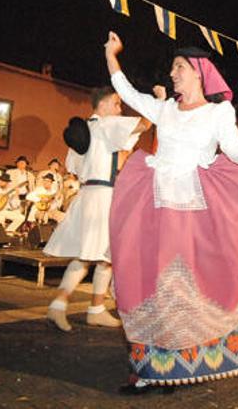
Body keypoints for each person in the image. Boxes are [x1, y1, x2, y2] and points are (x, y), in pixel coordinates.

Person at [105, 32, 238, 392]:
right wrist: (112, 54)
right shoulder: (165, 109)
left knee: (185, 284)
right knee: (154, 284)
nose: (173, 73)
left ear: (198, 73)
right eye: (173, 67)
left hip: (196, 207)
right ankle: (149, 369)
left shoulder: (219, 111)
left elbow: (236, 152)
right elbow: (127, 92)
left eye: (179, 68)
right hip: (155, 202)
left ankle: (180, 365)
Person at [43, 86, 149, 333]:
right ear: (104, 105)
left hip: (87, 194)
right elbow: (144, 125)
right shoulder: (106, 125)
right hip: (103, 195)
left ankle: (91, 309)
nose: (119, 109)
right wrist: (158, 104)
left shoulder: (84, 131)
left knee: (97, 255)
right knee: (97, 254)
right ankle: (65, 305)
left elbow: (75, 166)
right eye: (117, 103)